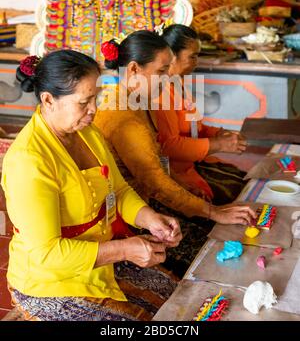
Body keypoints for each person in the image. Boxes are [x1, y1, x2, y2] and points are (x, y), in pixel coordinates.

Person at [1, 50, 181, 321]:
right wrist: (124, 249)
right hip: (51, 280)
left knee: (175, 296)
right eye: (84, 101)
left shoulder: (88, 133)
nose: (94, 109)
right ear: (49, 100)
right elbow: (47, 254)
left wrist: (149, 219)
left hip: (100, 258)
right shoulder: (29, 161)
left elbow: (118, 191)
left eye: (95, 98)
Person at [95, 30, 256, 276]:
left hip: (148, 200)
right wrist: (212, 211)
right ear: (134, 70)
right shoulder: (123, 116)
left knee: (217, 231)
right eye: (161, 71)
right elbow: (155, 180)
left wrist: (182, 183)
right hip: (129, 215)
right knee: (208, 251)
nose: (167, 77)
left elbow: (157, 161)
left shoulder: (139, 101)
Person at [156, 24, 248, 205]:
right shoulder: (160, 93)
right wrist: (218, 144)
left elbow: (193, 125)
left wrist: (218, 133)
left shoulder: (178, 84)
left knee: (244, 179)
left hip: (192, 164)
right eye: (193, 56)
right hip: (176, 173)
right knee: (235, 193)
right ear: (172, 57)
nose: (197, 62)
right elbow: (169, 147)